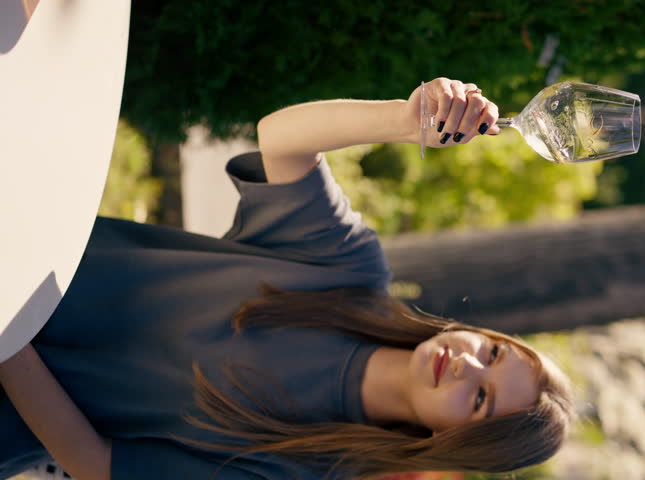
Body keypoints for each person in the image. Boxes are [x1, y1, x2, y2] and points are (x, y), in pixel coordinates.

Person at [0, 77, 574, 480]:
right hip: (22, 244)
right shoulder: (350, 270)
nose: (468, 365)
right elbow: (281, 139)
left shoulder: (300, 468)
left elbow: (95, 463)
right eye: (493, 354)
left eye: (478, 399)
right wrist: (403, 119)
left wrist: (11, 336)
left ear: (452, 442)